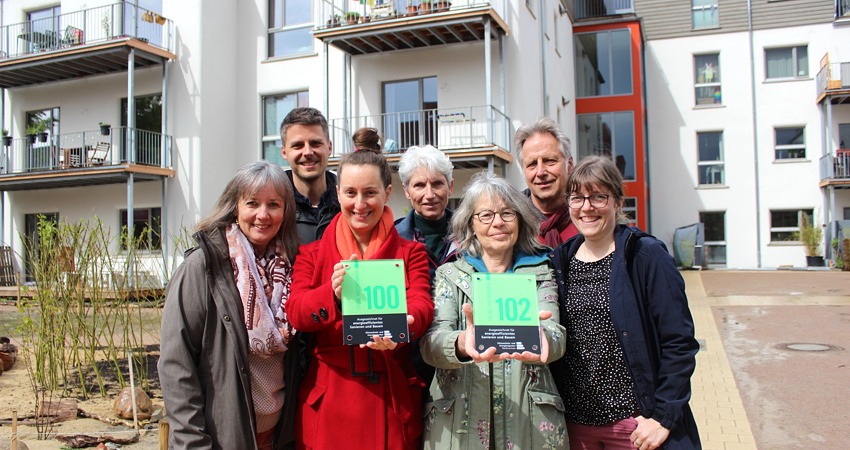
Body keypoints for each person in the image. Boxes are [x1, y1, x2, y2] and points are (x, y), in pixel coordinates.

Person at [287, 128, 434, 450]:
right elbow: (296, 312)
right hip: (330, 400)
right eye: (350, 193)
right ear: (337, 193)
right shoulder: (312, 254)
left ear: (387, 192)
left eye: (370, 193)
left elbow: (421, 304)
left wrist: (404, 325)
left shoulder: (411, 253)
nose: (360, 203)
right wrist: (332, 293)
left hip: (390, 397)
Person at [549, 155, 701, 450]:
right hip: (577, 426)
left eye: (598, 197)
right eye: (577, 198)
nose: (587, 207)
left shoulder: (645, 256)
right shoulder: (560, 261)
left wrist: (663, 418)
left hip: (634, 427)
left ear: (618, 202)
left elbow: (679, 342)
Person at [159, 161, 302, 450]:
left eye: (274, 204)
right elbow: (177, 364)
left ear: (285, 211)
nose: (263, 214)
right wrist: (192, 442)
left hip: (278, 436)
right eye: (252, 203)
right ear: (234, 207)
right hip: (222, 438)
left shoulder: (292, 267)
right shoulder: (203, 266)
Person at [421, 172, 568, 450]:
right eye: (486, 215)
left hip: (530, 425)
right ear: (471, 224)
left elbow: (556, 334)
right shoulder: (449, 274)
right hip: (458, 427)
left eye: (506, 213)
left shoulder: (541, 271)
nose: (497, 223)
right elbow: (431, 342)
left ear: (520, 219)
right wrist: (462, 343)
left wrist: (543, 338)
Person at [395, 144, 459, 276]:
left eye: (437, 184)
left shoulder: (469, 236)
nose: (429, 195)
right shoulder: (393, 239)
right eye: (419, 185)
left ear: (450, 187)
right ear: (406, 191)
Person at [515, 117, 579, 247]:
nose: (540, 172)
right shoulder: (512, 222)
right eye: (532, 164)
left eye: (550, 161)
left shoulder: (588, 216)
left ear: (570, 165)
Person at [280, 106, 340, 243]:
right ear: (284, 152)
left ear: (329, 147)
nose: (307, 152)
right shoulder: (271, 205)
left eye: (315, 143)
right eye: (298, 145)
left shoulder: (351, 204)